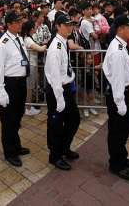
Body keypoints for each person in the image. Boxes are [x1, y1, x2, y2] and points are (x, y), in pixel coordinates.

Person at [0, 10, 31, 167]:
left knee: (17, 117)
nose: (20, 24)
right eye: (17, 22)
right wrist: (0, 90)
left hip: (20, 83)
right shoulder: (3, 44)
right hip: (9, 84)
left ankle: (16, 145)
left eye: (21, 21)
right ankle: (9, 152)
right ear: (9, 24)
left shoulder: (18, 39)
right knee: (9, 120)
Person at [102, 14, 129, 181]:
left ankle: (121, 156)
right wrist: (120, 102)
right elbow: (116, 80)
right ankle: (116, 164)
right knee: (117, 131)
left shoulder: (120, 46)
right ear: (121, 29)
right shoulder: (117, 50)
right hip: (119, 94)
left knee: (124, 127)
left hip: (122, 93)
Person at [44, 14, 80, 171]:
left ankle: (64, 147)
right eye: (66, 25)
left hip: (66, 87)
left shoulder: (63, 43)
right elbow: (54, 75)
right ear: (58, 26)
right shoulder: (55, 47)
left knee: (74, 119)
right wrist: (59, 98)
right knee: (56, 124)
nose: (70, 27)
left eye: (71, 24)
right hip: (57, 89)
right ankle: (55, 155)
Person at [21, 20, 45, 116]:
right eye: (35, 27)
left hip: (31, 64)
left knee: (30, 87)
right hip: (30, 65)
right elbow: (39, 49)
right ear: (31, 29)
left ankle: (28, 106)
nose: (36, 28)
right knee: (29, 88)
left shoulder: (27, 38)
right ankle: (28, 108)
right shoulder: (27, 39)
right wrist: (45, 45)